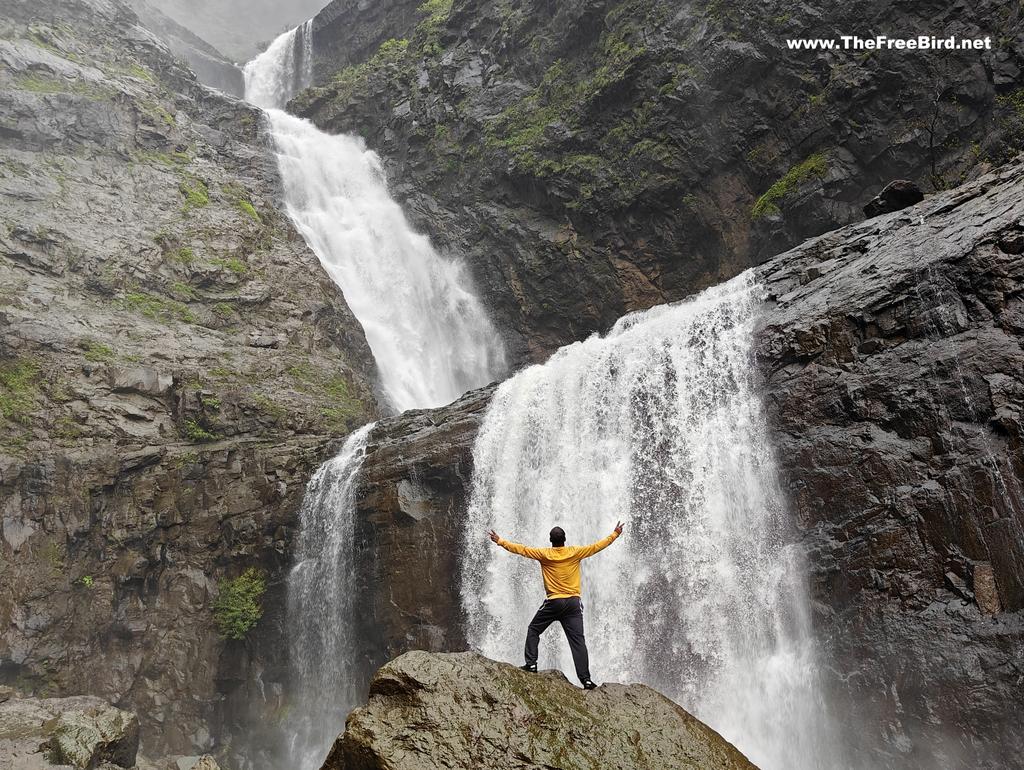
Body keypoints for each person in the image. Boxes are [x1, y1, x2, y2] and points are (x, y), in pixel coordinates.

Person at [488, 521, 624, 690]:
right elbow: (597, 546)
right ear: (564, 539)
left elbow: (521, 549)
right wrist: (615, 534)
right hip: (573, 604)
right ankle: (586, 680)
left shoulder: (544, 554)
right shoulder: (575, 552)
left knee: (534, 629)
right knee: (578, 642)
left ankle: (531, 664)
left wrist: (500, 541)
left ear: (550, 541)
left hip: (554, 602)